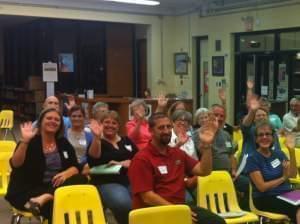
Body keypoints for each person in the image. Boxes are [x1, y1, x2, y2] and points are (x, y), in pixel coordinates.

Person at [128, 112, 225, 224]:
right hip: (153, 213)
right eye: (161, 127)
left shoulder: (177, 153)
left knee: (217, 222)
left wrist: (207, 146)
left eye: (169, 127)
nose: (166, 131)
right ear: (151, 131)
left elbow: (204, 171)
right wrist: (177, 212)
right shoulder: (141, 159)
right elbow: (147, 197)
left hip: (178, 208)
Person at [5, 108, 85, 223]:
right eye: (49, 118)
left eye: (57, 120)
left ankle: (46, 196)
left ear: (60, 125)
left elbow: (76, 166)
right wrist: (25, 141)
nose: (53, 121)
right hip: (27, 191)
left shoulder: (63, 142)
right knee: (60, 204)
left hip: (52, 188)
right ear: (41, 121)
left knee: (80, 179)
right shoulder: (31, 141)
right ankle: (49, 199)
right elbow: (15, 164)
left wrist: (67, 173)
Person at [88, 110, 138, 224]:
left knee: (142, 201)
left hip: (129, 179)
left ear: (118, 126)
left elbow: (140, 158)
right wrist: (96, 138)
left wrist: (127, 162)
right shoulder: (97, 141)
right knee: (124, 204)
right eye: (107, 122)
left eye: (114, 123)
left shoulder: (126, 140)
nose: (110, 125)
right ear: (101, 124)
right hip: (107, 181)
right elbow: (94, 158)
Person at [245, 121, 299, 223]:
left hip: (287, 194)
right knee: (298, 208)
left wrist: (291, 152)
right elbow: (262, 187)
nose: (264, 137)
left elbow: (293, 174)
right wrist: (283, 178)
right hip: (266, 198)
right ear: (256, 139)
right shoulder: (253, 158)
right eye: (261, 135)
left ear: (273, 137)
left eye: (268, 134)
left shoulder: (279, 154)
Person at [66, 105, 93, 175]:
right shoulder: (64, 134)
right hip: (67, 167)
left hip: (84, 168)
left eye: (79, 116)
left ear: (84, 118)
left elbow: (91, 155)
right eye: (74, 116)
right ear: (69, 117)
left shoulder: (90, 135)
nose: (76, 118)